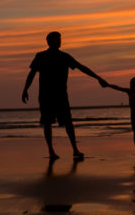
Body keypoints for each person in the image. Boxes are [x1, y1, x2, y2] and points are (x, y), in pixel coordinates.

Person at [22, 31, 106, 160]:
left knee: (68, 122)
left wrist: (98, 78)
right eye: (57, 40)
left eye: (60, 39)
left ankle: (75, 149)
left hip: (61, 94)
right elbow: (32, 74)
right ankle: (51, 151)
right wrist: (25, 89)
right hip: (46, 95)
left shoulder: (65, 56)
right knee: (47, 122)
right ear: (49, 42)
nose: (60, 42)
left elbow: (81, 67)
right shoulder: (41, 56)